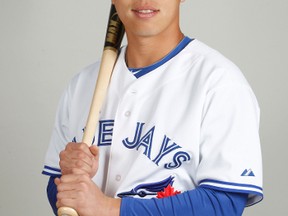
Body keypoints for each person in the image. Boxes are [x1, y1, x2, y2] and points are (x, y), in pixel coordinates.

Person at [42, 0, 263, 215]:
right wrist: (72, 178)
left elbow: (222, 204)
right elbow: (62, 195)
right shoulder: (82, 84)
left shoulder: (220, 83)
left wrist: (108, 209)